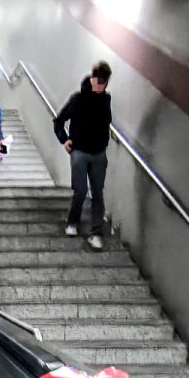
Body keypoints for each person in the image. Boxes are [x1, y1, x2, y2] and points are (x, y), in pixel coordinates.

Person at [53, 61, 112, 249]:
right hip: (79, 152)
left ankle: (95, 233)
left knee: (98, 193)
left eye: (105, 82)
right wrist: (65, 139)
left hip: (99, 154)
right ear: (93, 78)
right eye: (99, 81)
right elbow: (59, 120)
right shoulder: (78, 99)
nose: (101, 86)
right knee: (80, 190)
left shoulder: (106, 100)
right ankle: (72, 221)